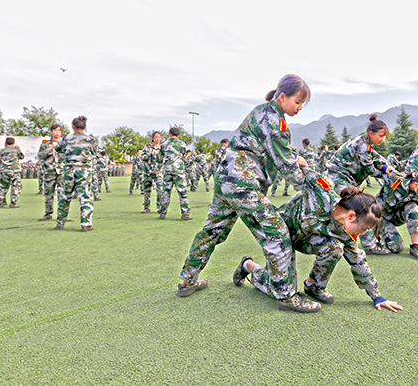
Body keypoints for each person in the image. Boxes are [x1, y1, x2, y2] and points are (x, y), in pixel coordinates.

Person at [178, 74, 320, 312]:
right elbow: (284, 163)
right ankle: (286, 296)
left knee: (212, 231)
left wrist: (294, 158)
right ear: (282, 97)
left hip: (226, 182)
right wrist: (310, 183)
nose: (299, 107)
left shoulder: (262, 112)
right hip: (243, 186)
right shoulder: (276, 120)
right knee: (277, 230)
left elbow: (273, 150)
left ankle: (187, 280)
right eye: (298, 102)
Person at [233, 169, 403, 312]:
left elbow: (359, 261)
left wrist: (377, 297)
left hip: (303, 239)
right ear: (351, 216)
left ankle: (314, 286)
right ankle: (248, 265)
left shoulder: (347, 232)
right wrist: (294, 158)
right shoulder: (321, 192)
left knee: (335, 247)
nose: (362, 233)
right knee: (284, 292)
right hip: (279, 235)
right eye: (364, 229)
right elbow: (303, 169)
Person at [364, 170, 418, 260]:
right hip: (376, 217)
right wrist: (382, 166)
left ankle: (415, 246)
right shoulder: (396, 179)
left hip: (393, 218)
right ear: (416, 185)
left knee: (413, 206)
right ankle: (373, 238)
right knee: (397, 247)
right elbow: (377, 169)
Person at [324, 114, 392, 193]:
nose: (383, 139)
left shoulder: (364, 142)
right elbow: (370, 170)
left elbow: (375, 157)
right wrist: (387, 174)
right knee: (354, 200)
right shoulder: (363, 146)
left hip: (343, 178)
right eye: (381, 136)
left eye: (384, 137)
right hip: (337, 178)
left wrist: (385, 167)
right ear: (371, 133)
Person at [55, 116, 97, 232]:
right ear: (84, 127)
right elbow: (94, 152)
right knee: (85, 197)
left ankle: (60, 223)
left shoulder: (67, 138)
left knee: (65, 196)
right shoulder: (90, 139)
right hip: (83, 171)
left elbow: (58, 149)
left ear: (73, 126)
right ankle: (86, 224)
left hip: (68, 170)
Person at [158, 128, 192, 220]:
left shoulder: (164, 144)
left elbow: (159, 158)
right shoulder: (182, 144)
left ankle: (163, 213)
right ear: (178, 135)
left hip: (167, 170)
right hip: (179, 171)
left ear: (169, 134)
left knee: (166, 192)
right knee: (182, 192)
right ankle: (185, 214)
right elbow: (184, 157)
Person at [38, 124, 64, 221]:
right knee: (49, 194)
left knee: (63, 194)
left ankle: (62, 214)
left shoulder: (65, 143)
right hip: (49, 171)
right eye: (55, 130)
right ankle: (48, 213)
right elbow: (40, 155)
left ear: (61, 132)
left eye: (59, 130)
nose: (57, 132)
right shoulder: (45, 144)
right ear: (51, 132)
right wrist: (51, 148)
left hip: (62, 172)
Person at [0, 137, 25, 208]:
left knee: (2, 186)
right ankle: (13, 202)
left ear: (5, 143)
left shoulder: (2, 150)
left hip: (4, 171)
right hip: (14, 171)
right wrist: (18, 149)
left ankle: (0, 202)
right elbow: (22, 157)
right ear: (14, 143)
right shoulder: (16, 150)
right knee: (16, 186)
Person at [140, 131, 163, 214]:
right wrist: (151, 154)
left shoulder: (162, 148)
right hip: (148, 172)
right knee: (147, 190)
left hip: (158, 172)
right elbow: (142, 157)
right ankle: (147, 207)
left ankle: (160, 207)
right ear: (153, 138)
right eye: (156, 137)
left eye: (159, 137)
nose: (157, 139)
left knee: (160, 189)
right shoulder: (147, 147)